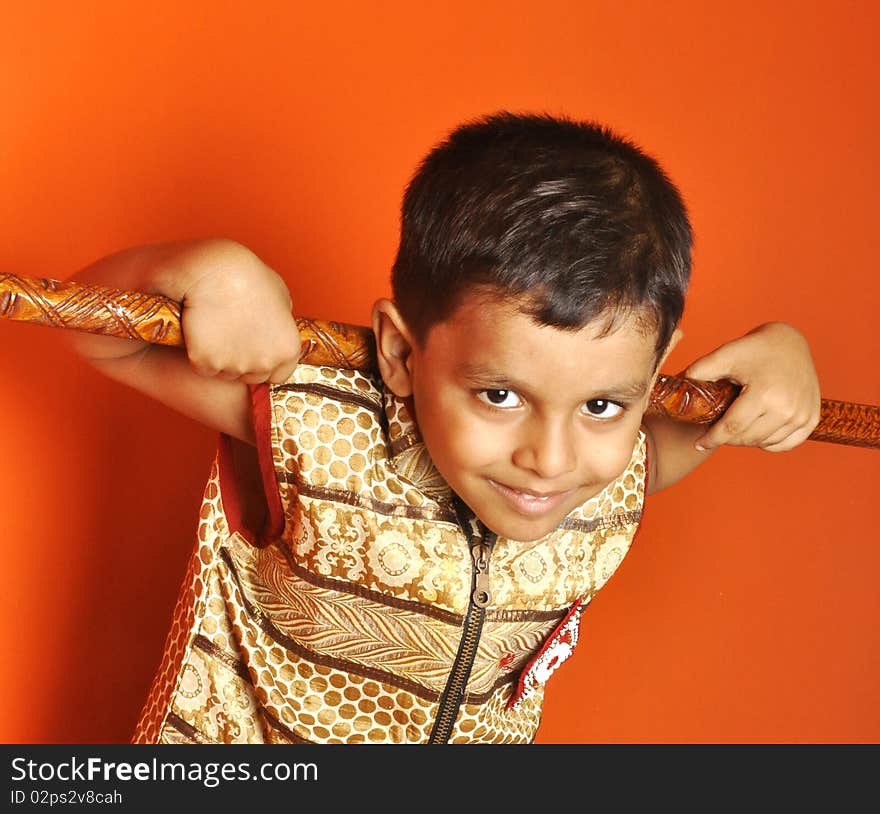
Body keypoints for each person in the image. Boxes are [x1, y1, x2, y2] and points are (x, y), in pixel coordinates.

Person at [66, 112, 820, 744]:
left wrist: (786, 349)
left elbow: (739, 408)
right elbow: (97, 330)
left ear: (652, 380)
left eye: (601, 405)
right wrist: (207, 271)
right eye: (498, 395)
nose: (549, 460)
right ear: (400, 352)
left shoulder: (613, 470)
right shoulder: (318, 426)